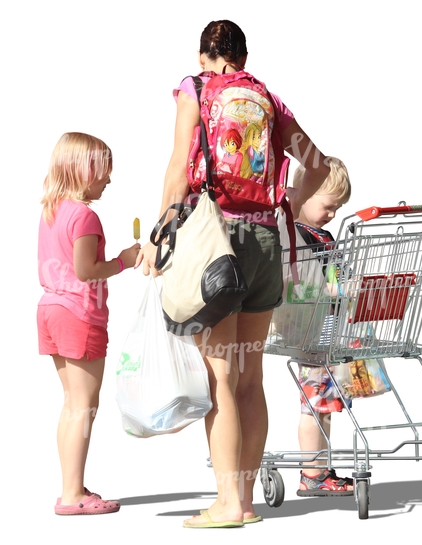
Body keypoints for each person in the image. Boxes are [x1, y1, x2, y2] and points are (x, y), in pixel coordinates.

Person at [135, 20, 331, 528]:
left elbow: (179, 167)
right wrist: (291, 201)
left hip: (216, 244)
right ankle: (245, 500)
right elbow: (316, 162)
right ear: (243, 57)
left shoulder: (195, 89)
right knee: (251, 377)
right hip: (267, 243)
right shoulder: (268, 99)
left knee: (220, 373)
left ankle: (228, 504)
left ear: (206, 56)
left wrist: (159, 236)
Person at [37, 132, 141, 515]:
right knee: (83, 406)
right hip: (79, 314)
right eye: (104, 171)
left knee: (71, 404)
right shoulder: (84, 215)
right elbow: (86, 271)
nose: (109, 180)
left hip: (50, 309)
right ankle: (73, 496)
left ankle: (71, 487)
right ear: (84, 171)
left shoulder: (52, 209)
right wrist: (124, 261)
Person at [290, 158, 356, 496]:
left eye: (337, 208)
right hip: (310, 333)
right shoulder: (296, 237)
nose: (332, 214)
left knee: (324, 405)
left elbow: (336, 277)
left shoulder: (323, 236)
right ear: (305, 194)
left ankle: (321, 469)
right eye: (328, 206)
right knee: (313, 405)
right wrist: (339, 287)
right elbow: (308, 284)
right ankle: (311, 473)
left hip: (328, 332)